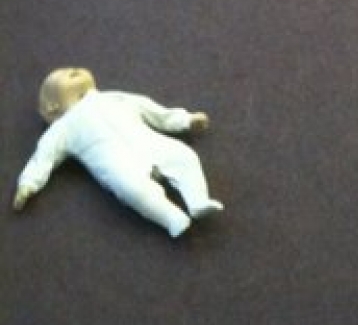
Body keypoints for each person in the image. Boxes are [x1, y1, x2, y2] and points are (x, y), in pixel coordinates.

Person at [13, 68, 223, 238]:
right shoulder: (62, 127)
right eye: (61, 76)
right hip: (118, 165)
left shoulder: (114, 97)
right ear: (52, 106)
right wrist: (28, 183)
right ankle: (171, 218)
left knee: (184, 157)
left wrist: (185, 120)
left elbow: (152, 110)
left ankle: (198, 200)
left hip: (150, 143)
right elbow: (43, 157)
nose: (71, 71)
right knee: (135, 191)